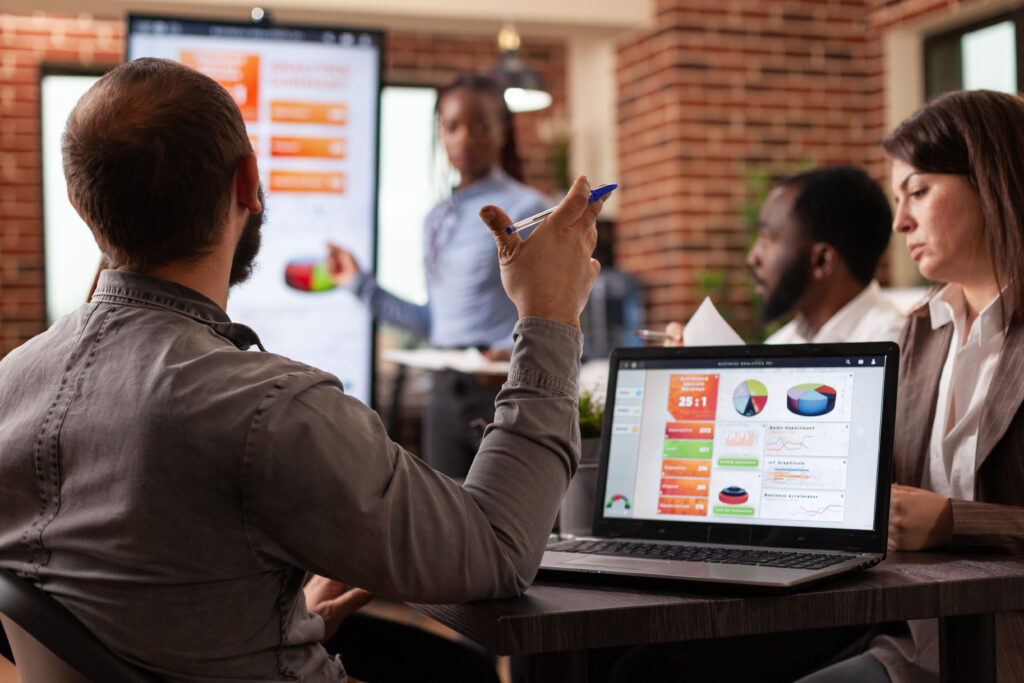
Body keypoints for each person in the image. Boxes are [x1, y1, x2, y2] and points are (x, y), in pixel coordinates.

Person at [0, 58, 606, 682]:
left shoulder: (8, 387)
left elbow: (105, 600)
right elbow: (497, 552)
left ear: (78, 203)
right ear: (248, 182)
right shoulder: (271, 411)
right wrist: (551, 316)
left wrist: (268, 622)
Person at [795, 89, 1024, 683]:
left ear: (992, 180)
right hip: (921, 650)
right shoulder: (921, 332)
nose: (900, 222)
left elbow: (940, 517)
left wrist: (957, 522)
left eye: (918, 191)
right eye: (899, 199)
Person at [329, 72, 549, 479]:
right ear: (440, 134)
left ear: (502, 131)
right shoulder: (436, 220)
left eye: (479, 126)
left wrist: (509, 350)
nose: (464, 138)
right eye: (452, 127)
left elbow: (554, 308)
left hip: (502, 390)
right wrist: (359, 284)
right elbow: (435, 323)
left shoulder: (527, 207)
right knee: (448, 531)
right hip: (444, 397)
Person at [664, 165, 905, 345]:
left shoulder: (895, 343)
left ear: (822, 261)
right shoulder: (783, 344)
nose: (753, 257)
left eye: (767, 239)